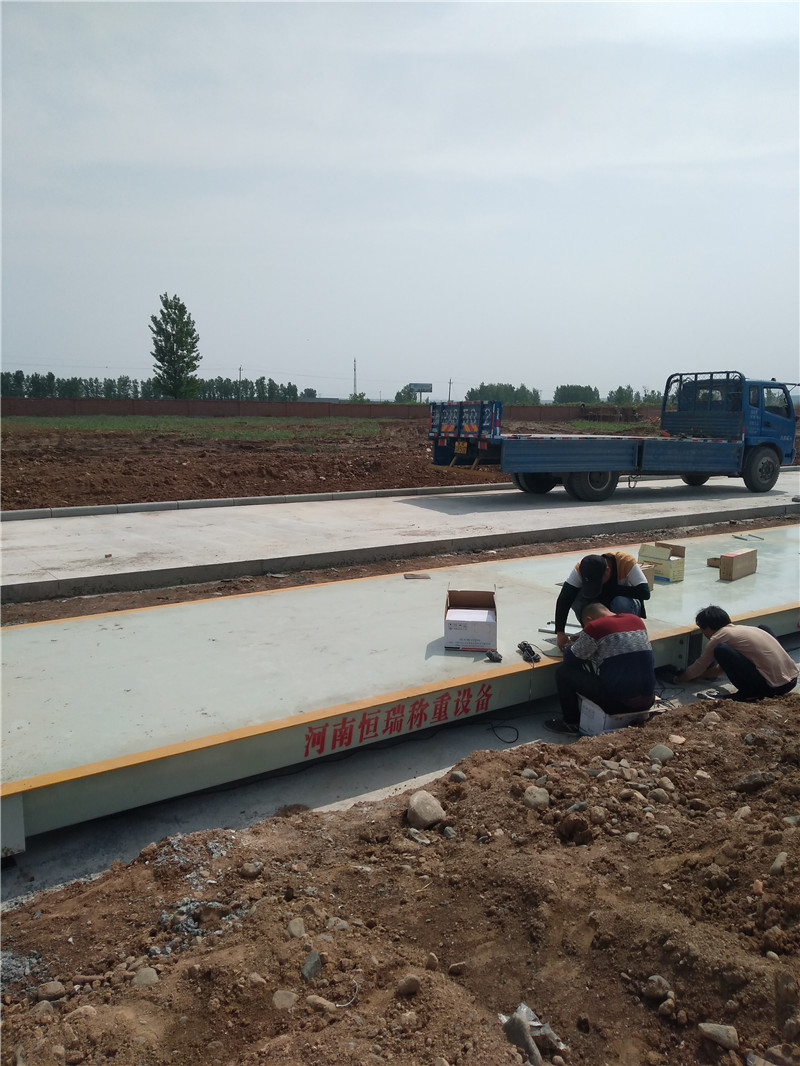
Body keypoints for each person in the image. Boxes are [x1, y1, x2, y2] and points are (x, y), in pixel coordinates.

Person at [545, 603, 656, 735]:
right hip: (648, 701)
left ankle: (571, 723)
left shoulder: (595, 627)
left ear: (589, 620)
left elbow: (570, 659)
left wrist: (575, 642)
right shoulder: (636, 620)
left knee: (563, 672)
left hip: (619, 704)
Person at [677, 606, 798, 701]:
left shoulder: (719, 636)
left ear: (707, 627)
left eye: (703, 631)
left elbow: (698, 667)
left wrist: (678, 678)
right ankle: (756, 689)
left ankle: (749, 694)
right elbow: (720, 669)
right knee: (763, 628)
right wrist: (700, 675)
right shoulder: (744, 630)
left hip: (773, 688)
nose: (705, 634)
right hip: (791, 681)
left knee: (720, 649)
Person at [554, 551, 651, 652]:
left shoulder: (625, 561)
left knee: (621, 602)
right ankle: (590, 632)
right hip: (603, 604)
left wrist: (609, 589)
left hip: (624, 606)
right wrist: (560, 632)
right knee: (576, 597)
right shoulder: (581, 568)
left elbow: (644, 593)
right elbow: (564, 598)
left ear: (608, 570)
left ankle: (621, 633)